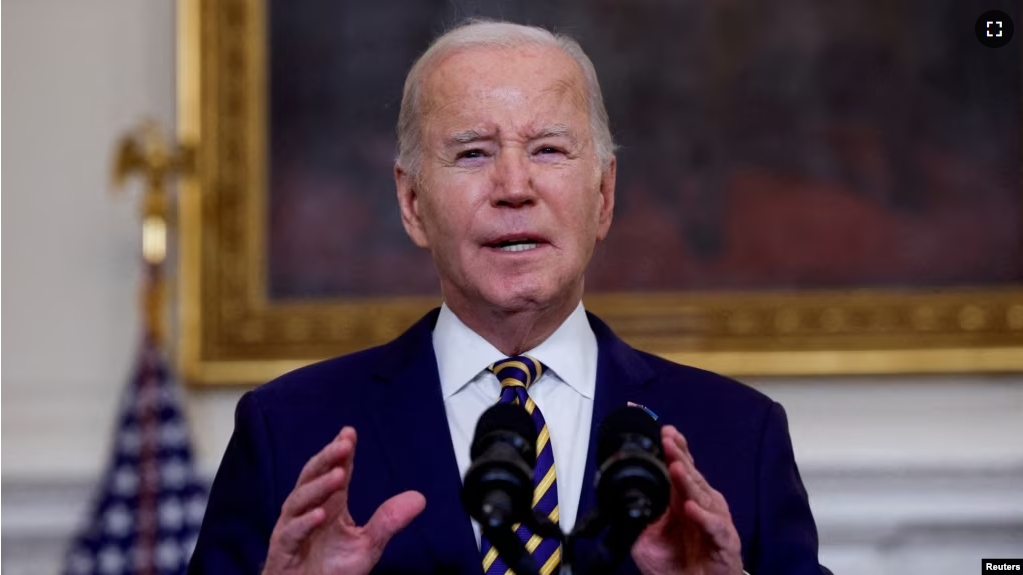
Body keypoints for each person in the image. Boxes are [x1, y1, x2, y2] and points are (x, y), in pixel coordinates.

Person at [189, 19, 831, 575]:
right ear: (412, 204)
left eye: (549, 149)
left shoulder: (737, 434)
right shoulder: (288, 432)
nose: (514, 187)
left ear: (603, 196)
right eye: (473, 154)